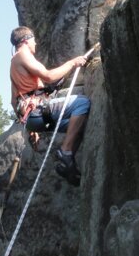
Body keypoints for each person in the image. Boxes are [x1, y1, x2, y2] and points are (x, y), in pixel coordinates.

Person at [10, 26, 90, 186]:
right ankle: (66, 151)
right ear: (25, 41)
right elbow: (48, 76)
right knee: (82, 102)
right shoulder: (23, 54)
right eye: (33, 40)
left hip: (34, 119)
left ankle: (66, 164)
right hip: (39, 112)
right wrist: (72, 62)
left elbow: (14, 101)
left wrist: (31, 129)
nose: (36, 43)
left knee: (79, 126)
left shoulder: (14, 65)